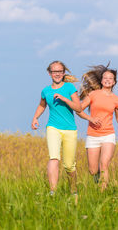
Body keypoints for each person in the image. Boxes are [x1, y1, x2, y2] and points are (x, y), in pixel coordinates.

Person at [31, 61, 82, 196]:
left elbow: (78, 108)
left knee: (69, 165)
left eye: (60, 71)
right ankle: (52, 191)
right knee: (54, 157)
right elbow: (42, 105)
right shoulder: (46, 91)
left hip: (70, 129)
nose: (57, 74)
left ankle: (73, 190)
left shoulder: (70, 88)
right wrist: (35, 118)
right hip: (53, 127)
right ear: (50, 73)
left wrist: (65, 99)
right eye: (54, 71)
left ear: (63, 73)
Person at [76, 64, 118, 190]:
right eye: (105, 78)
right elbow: (79, 110)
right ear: (102, 80)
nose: (107, 80)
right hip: (92, 135)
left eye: (110, 78)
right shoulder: (93, 94)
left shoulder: (117, 100)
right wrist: (90, 118)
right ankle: (98, 183)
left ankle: (103, 193)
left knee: (104, 165)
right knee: (92, 170)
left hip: (108, 135)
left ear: (114, 82)